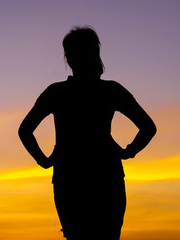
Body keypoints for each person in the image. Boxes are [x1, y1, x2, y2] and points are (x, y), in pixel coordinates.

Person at [18, 26, 156, 240]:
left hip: (70, 177)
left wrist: (44, 160)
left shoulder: (56, 92)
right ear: (96, 54)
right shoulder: (111, 90)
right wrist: (128, 152)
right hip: (105, 176)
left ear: (68, 58)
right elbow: (148, 127)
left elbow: (25, 130)